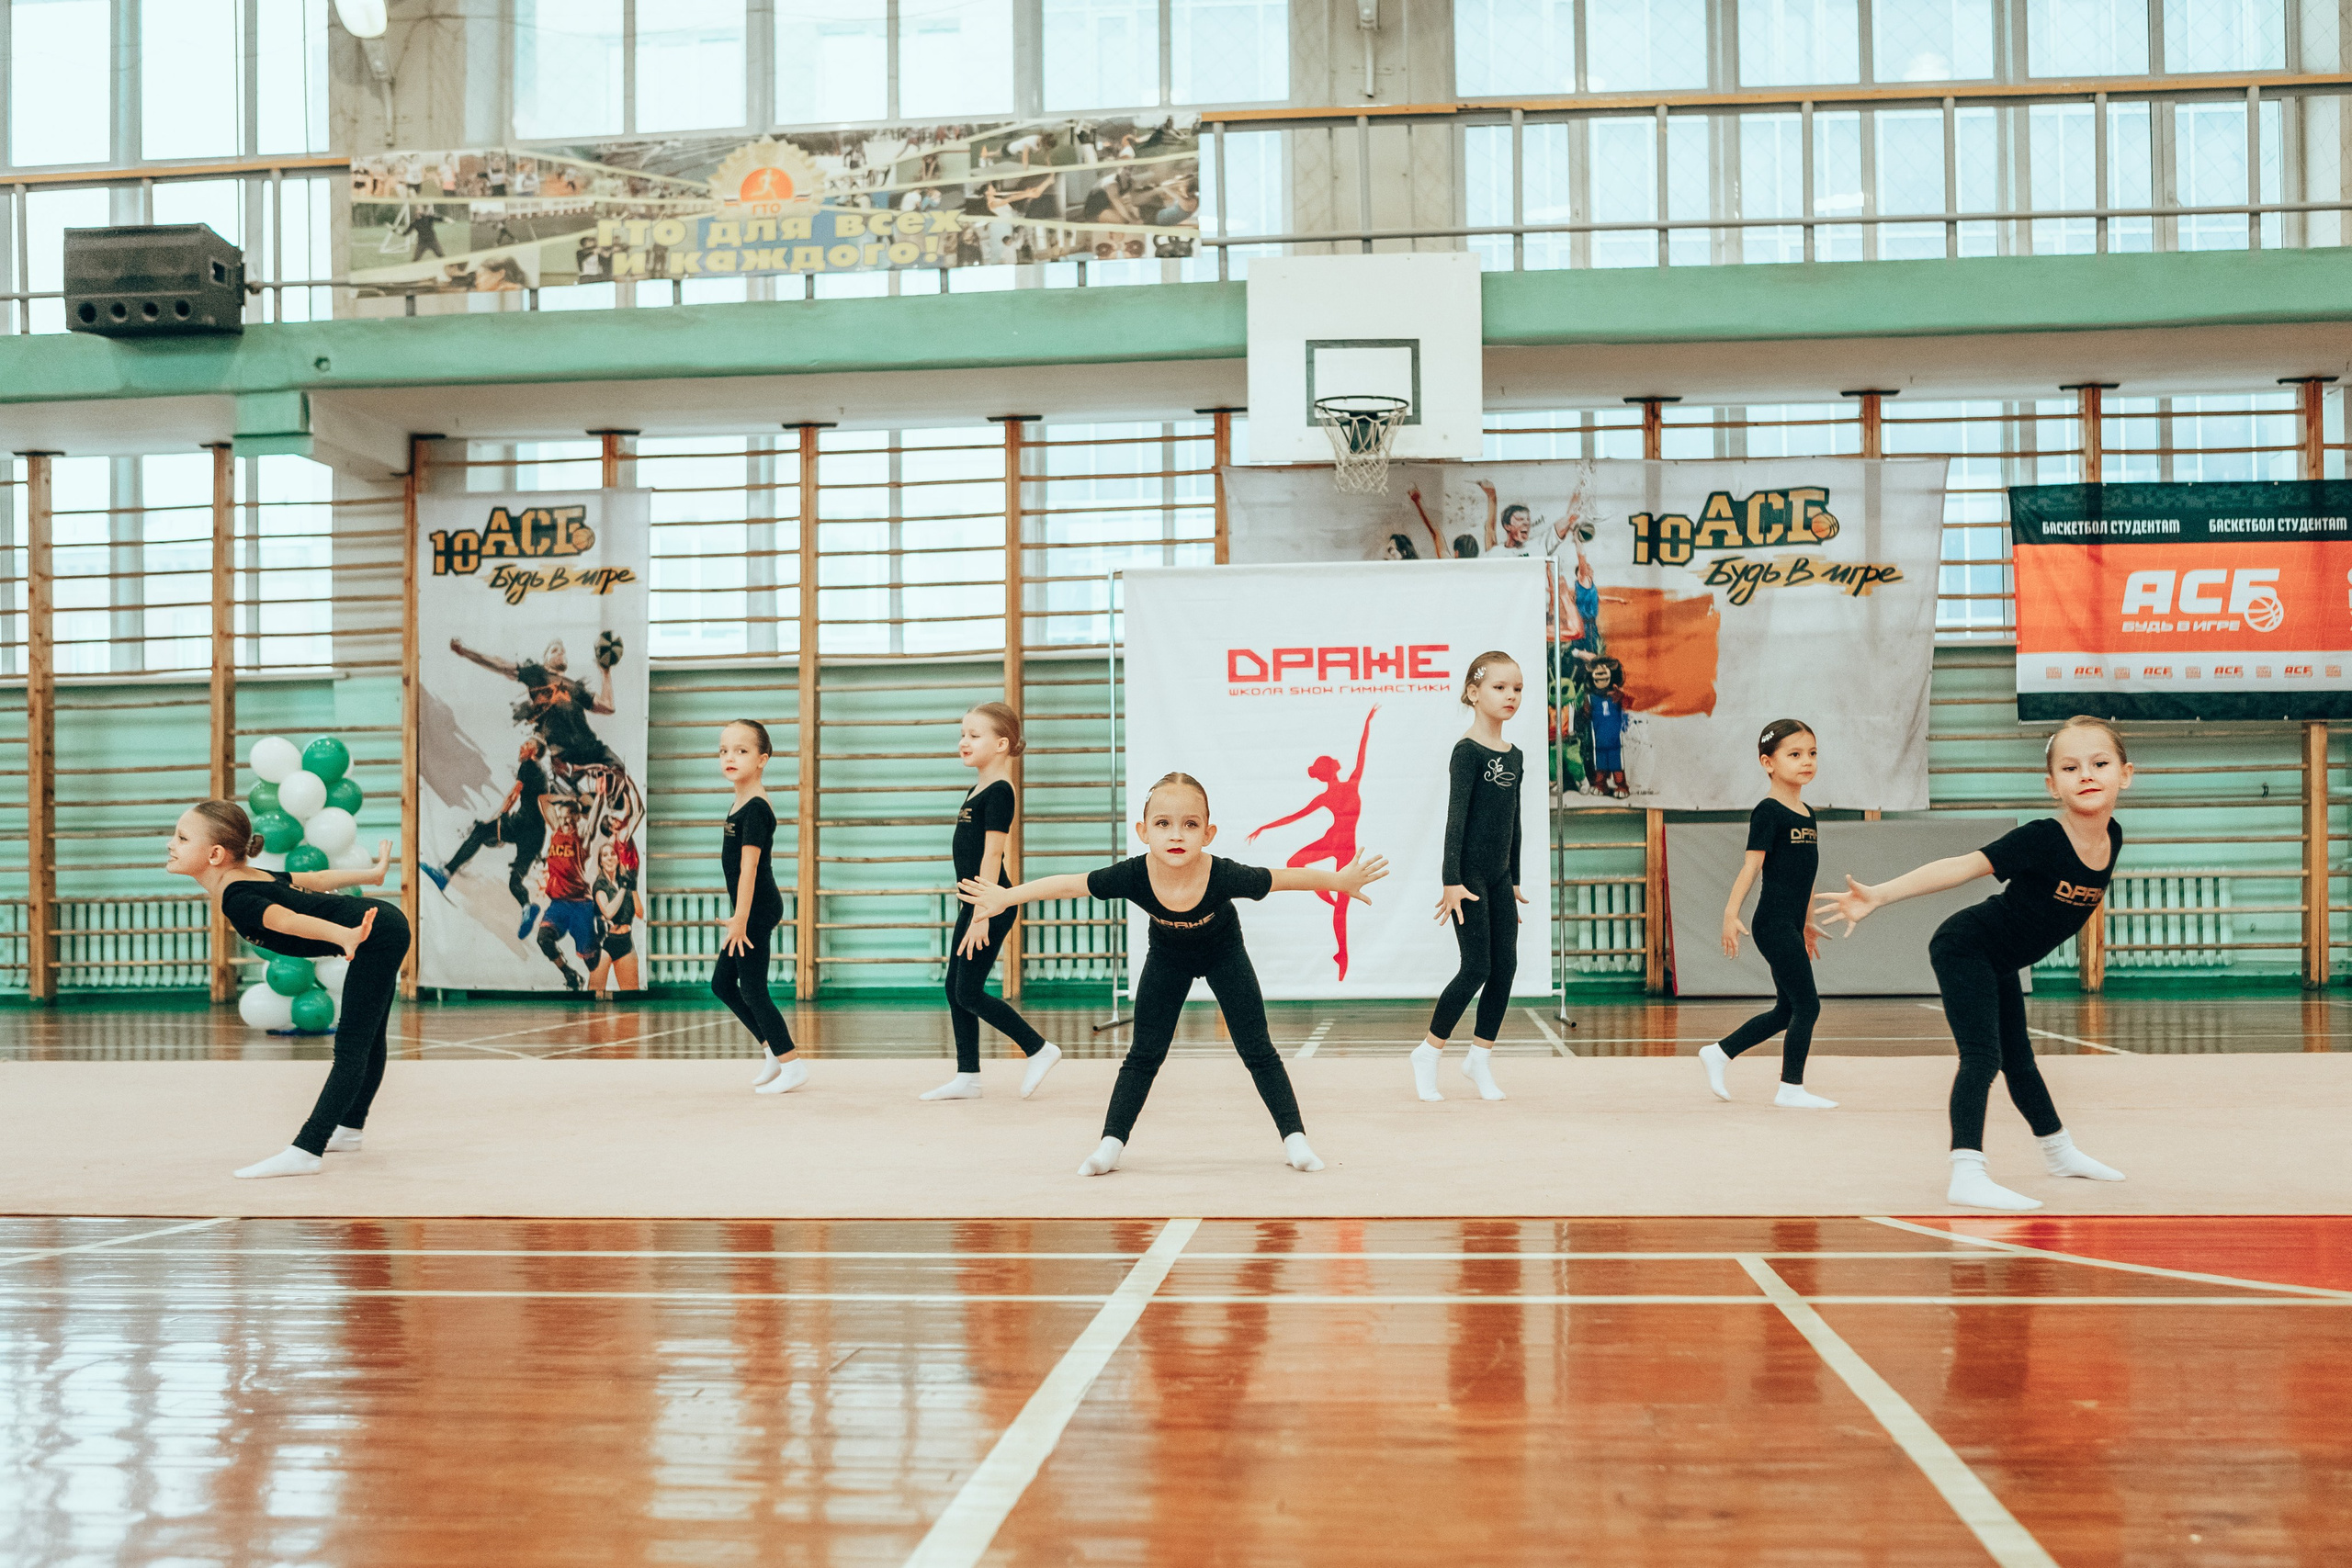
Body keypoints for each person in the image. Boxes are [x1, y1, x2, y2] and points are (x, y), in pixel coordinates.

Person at [960, 772, 1386, 1177]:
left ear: (1208, 833)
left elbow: (1283, 878)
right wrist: (1006, 896)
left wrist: (1339, 879)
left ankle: (1296, 1141)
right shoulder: (1132, 873)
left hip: (1224, 952)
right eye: (1163, 824)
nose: (1177, 835)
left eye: (1190, 824)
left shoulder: (1224, 874)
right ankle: (1110, 1145)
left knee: (1258, 1049)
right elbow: (1070, 884)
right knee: (1144, 1054)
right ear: (1143, 831)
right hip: (1168, 956)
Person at [1816, 716, 2132, 1212]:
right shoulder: (2041, 837)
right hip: (1968, 946)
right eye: (2070, 767)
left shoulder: (2114, 835)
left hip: (2003, 955)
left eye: (2099, 764)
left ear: (2125, 775)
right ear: (2053, 785)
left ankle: (2059, 1151)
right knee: (1984, 1057)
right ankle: (1966, 1171)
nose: (2086, 774)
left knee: (2019, 1058)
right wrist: (1879, 894)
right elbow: (1962, 866)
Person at [167, 802, 408, 1180]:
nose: (171, 844)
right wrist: (372, 874)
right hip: (381, 926)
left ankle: (307, 1149)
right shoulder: (248, 877)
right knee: (370, 1038)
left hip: (374, 934)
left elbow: (289, 920)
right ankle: (349, 1130)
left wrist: (342, 936)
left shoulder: (238, 896)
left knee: (353, 1045)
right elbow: (315, 880)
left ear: (215, 854)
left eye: (181, 838)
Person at [927, 703, 1060, 1101]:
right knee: (955, 988)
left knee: (968, 991)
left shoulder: (1000, 792)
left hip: (991, 902)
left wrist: (983, 913)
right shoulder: (978, 788)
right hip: (977, 901)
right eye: (963, 733)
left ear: (1002, 744)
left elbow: (991, 856)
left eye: (974, 735)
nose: (963, 742)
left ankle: (1038, 1048)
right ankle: (968, 1075)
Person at [1702, 719, 1837, 1110]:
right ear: (1768, 762)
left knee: (1787, 1009)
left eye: (1812, 753)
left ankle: (1719, 1052)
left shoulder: (1808, 813)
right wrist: (1731, 912)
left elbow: (1806, 873)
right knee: (1808, 1006)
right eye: (1794, 755)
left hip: (1792, 924)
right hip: (1772, 923)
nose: (1806, 762)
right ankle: (1790, 1088)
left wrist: (1808, 922)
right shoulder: (1768, 811)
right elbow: (1751, 867)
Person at [1413, 654, 1525, 1102]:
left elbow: (1514, 821)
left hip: (1498, 877)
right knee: (1476, 966)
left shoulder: (1515, 756)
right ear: (1474, 693)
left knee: (1507, 966)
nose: (1511, 696)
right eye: (1500, 687)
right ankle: (1428, 1051)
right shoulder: (1467, 752)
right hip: (1468, 877)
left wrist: (1514, 878)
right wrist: (1450, 880)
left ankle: (1479, 1056)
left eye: (1517, 688)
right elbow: (1454, 821)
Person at [1247, 705, 1378, 981]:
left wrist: (1367, 723)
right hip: (1334, 841)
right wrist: (1264, 827)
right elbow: (1294, 817)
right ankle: (1324, 890)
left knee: (1342, 905)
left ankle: (1341, 952)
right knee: (1295, 864)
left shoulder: (1349, 785)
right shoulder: (1331, 794)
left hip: (1346, 850)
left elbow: (1362, 753)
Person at [716, 720, 805, 1095]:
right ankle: (772, 1051)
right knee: (723, 984)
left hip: (756, 908)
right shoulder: (740, 801)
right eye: (723, 751)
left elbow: (750, 867)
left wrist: (740, 919)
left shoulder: (755, 808)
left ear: (762, 759)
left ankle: (792, 1064)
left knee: (753, 990)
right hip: (748, 908)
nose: (730, 757)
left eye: (741, 750)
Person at [424, 738, 548, 930]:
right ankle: (527, 907)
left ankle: (445, 874)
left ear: (533, 752)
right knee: (516, 880)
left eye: (526, 745)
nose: (521, 746)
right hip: (536, 833)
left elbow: (514, 794)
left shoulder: (528, 765)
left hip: (522, 824)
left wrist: (498, 818)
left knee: (481, 831)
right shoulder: (541, 773)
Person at [533, 795, 598, 991]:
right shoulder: (556, 832)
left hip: (580, 904)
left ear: (577, 817)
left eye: (570, 817)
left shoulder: (583, 836)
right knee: (544, 939)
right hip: (559, 905)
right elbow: (543, 800)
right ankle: (569, 974)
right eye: (562, 818)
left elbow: (594, 817)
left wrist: (596, 798)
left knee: (590, 959)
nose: (565, 821)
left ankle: (600, 990)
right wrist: (565, 798)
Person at [589, 840, 644, 998]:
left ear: (619, 858)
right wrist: (623, 889)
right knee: (595, 993)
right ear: (600, 862)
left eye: (613, 854)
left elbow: (639, 913)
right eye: (605, 855)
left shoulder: (624, 881)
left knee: (631, 994)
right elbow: (608, 912)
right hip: (604, 943)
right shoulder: (600, 885)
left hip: (625, 941)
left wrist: (632, 887)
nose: (610, 858)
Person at [1584, 658, 1629, 797]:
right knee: (1600, 764)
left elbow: (1629, 707)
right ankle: (1600, 785)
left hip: (1616, 741)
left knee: (1617, 764)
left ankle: (1621, 786)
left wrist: (1622, 698)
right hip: (1598, 740)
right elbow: (1586, 715)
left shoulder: (1618, 696)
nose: (1600, 674)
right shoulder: (1590, 698)